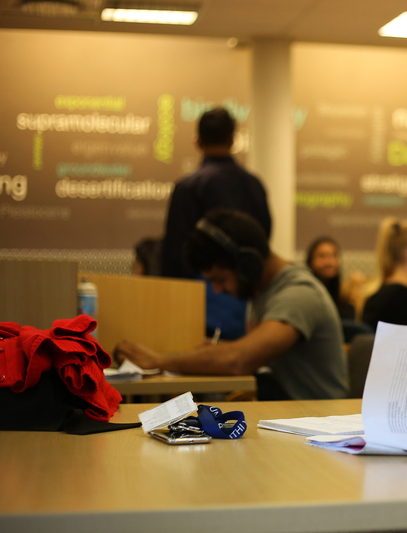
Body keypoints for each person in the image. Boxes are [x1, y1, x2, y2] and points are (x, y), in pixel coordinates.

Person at [115, 209, 348, 401]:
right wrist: (219, 350)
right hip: (289, 417)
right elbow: (260, 354)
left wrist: (158, 361)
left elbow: (240, 360)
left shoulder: (298, 294)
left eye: (220, 279)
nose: (218, 290)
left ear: (249, 264)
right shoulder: (262, 293)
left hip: (319, 425)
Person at [160, 106, 272, 341]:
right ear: (233, 140)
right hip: (248, 308)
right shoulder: (254, 185)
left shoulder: (188, 188)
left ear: (197, 141)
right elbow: (263, 239)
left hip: (197, 308)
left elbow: (173, 257)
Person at [305, 236, 356, 320]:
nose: (329, 261)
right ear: (310, 262)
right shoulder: (305, 296)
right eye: (322, 256)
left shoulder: (345, 297)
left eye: (333, 256)